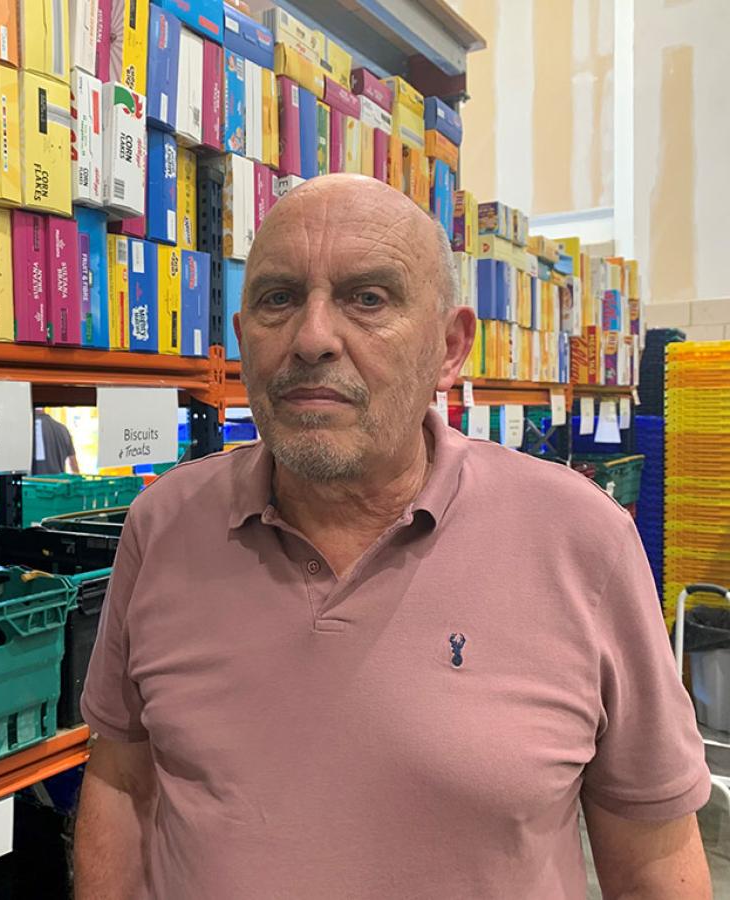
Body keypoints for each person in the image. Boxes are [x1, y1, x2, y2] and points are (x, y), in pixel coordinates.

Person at [75, 174, 711, 899]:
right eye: (279, 299)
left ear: (448, 348)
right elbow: (122, 776)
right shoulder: (163, 526)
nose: (312, 338)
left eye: (367, 299)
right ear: (242, 337)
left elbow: (655, 863)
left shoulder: (580, 541)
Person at [33, 408, 80, 475]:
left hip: (31, 484)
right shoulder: (62, 429)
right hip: (58, 483)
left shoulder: (26, 429)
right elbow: (74, 465)